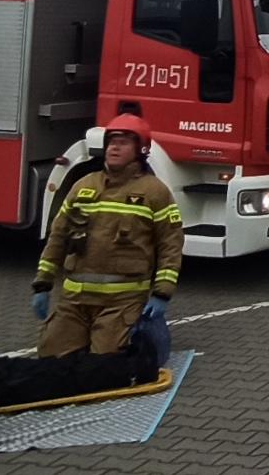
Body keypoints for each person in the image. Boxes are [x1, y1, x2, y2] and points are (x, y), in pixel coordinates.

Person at [33, 114, 183, 358]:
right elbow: (58, 237)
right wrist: (43, 283)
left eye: (123, 142)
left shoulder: (154, 192)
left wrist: (162, 293)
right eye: (112, 141)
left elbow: (171, 245)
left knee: (107, 362)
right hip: (74, 301)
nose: (114, 147)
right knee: (50, 356)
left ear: (141, 149)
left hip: (121, 302)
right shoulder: (83, 186)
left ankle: (143, 338)